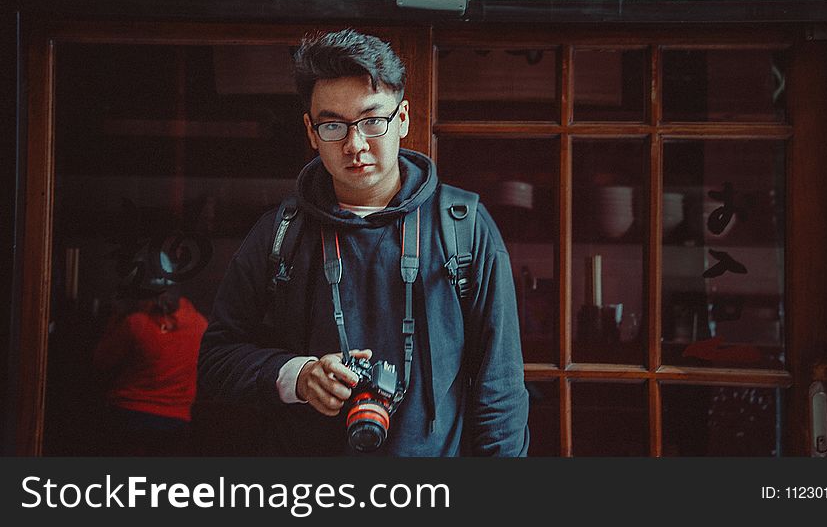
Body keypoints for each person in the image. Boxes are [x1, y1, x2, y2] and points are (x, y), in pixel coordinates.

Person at [196, 28, 529, 456]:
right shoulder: (280, 232)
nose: (355, 145)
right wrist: (297, 376)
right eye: (333, 125)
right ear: (311, 132)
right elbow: (216, 360)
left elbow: (499, 386)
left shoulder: (463, 228)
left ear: (403, 118)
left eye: (372, 121)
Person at [94, 283, 208, 456]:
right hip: (176, 419)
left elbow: (101, 361)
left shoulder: (136, 323)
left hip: (129, 414)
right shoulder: (200, 326)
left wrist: (115, 318)